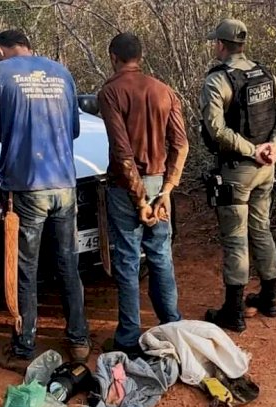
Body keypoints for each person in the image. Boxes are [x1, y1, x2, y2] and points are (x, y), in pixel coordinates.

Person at [0, 30, 90, 366]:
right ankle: (80, 339)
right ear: (29, 45)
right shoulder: (61, 71)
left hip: (26, 186)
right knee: (68, 262)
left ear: (0, 51)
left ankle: (25, 346)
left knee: (26, 267)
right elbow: (74, 129)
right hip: (65, 185)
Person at [97, 33, 189, 355]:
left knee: (126, 259)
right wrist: (165, 191)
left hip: (127, 188)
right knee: (161, 255)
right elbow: (181, 144)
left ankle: (128, 338)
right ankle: (172, 326)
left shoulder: (110, 93)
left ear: (113, 56)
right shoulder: (164, 91)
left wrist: (140, 200)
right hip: (158, 184)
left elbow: (123, 154)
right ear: (140, 55)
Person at [200, 19, 276, 332]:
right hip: (266, 169)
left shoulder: (218, 81)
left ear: (221, 45)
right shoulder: (265, 74)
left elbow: (216, 129)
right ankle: (269, 298)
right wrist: (273, 147)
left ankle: (234, 311)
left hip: (238, 170)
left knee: (236, 239)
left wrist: (252, 150)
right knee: (262, 229)